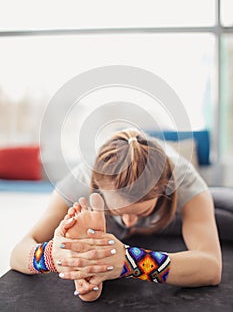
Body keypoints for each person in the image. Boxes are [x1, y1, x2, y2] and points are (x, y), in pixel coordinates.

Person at [10, 129, 222, 302]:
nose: (129, 224)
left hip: (176, 216)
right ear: (98, 189)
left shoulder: (187, 184)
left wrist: (131, 262)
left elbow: (211, 267)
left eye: (141, 211)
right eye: (119, 212)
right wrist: (52, 257)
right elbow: (17, 253)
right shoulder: (78, 182)